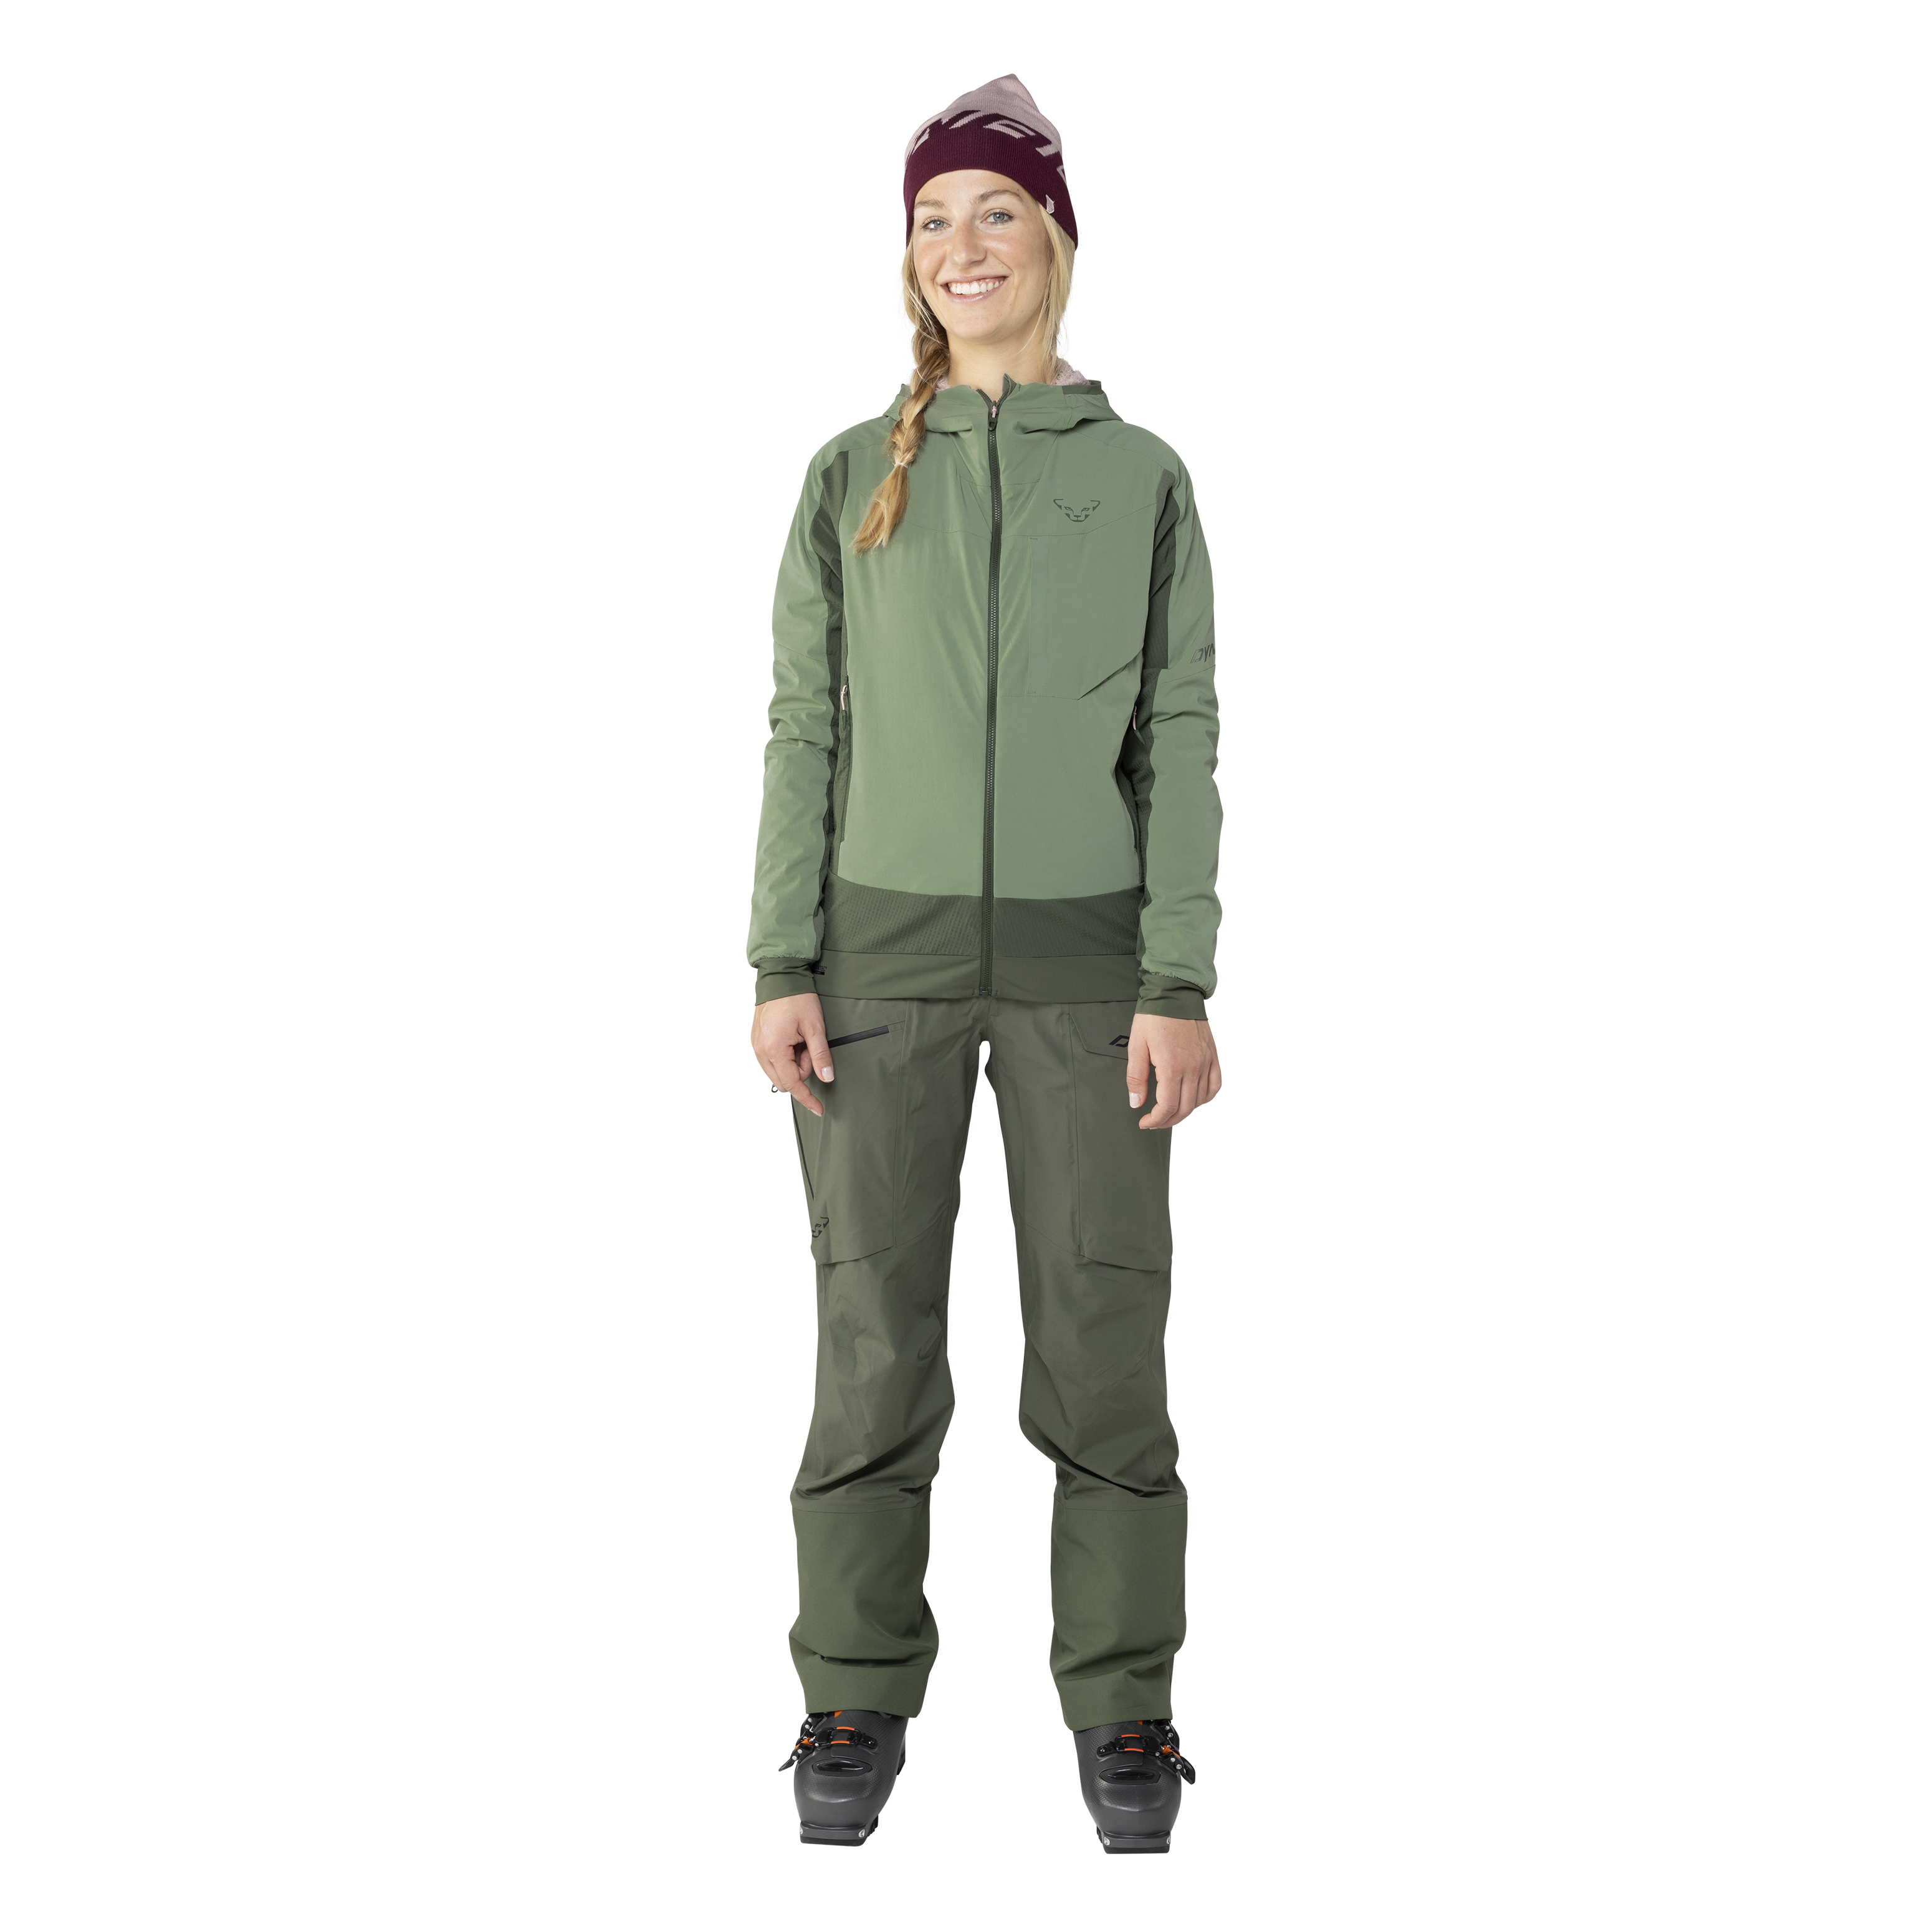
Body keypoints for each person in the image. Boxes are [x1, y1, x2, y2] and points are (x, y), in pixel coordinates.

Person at [750, 74, 1222, 1855]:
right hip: (874, 960)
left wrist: (1177, 980)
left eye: (996, 212)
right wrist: (778, 954)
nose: (963, 245)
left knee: (1103, 1344)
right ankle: (854, 1691)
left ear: (1056, 242)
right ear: (909, 260)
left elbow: (1180, 736)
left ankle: (1124, 1704)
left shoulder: (1141, 477)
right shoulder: (851, 473)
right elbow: (806, 729)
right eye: (933, 218)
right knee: (870, 1340)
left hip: (1090, 970)